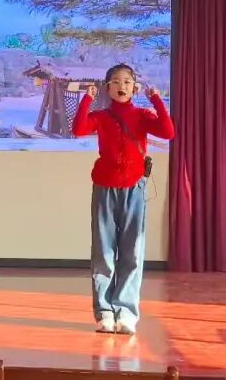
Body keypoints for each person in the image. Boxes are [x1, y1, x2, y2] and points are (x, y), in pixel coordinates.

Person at [72, 64, 175, 334]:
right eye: (116, 82)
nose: (122, 86)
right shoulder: (101, 116)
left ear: (134, 88)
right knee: (103, 252)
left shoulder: (142, 115)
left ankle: (126, 313)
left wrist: (156, 100)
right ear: (107, 88)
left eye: (127, 82)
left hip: (134, 188)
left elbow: (168, 132)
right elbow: (79, 129)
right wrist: (87, 99)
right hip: (105, 188)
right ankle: (105, 312)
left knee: (132, 252)